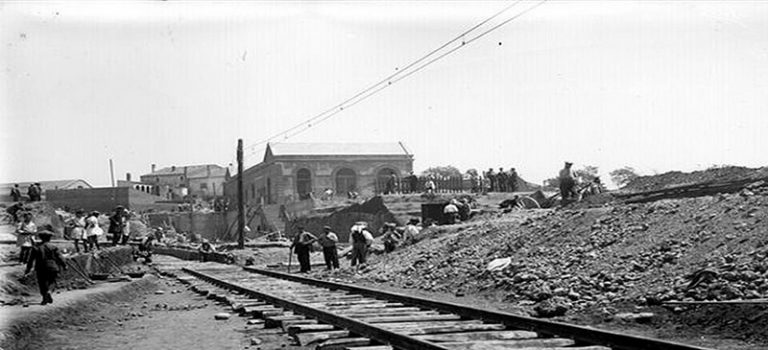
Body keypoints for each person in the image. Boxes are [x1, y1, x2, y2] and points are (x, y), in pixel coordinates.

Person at [25, 228, 67, 305]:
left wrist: (27, 270)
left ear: (40, 238)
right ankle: (49, 292)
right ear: (49, 238)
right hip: (52, 267)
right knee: (52, 281)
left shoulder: (36, 248)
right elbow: (60, 257)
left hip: (40, 268)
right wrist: (64, 265)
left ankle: (44, 298)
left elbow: (30, 260)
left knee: (42, 283)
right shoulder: (53, 247)